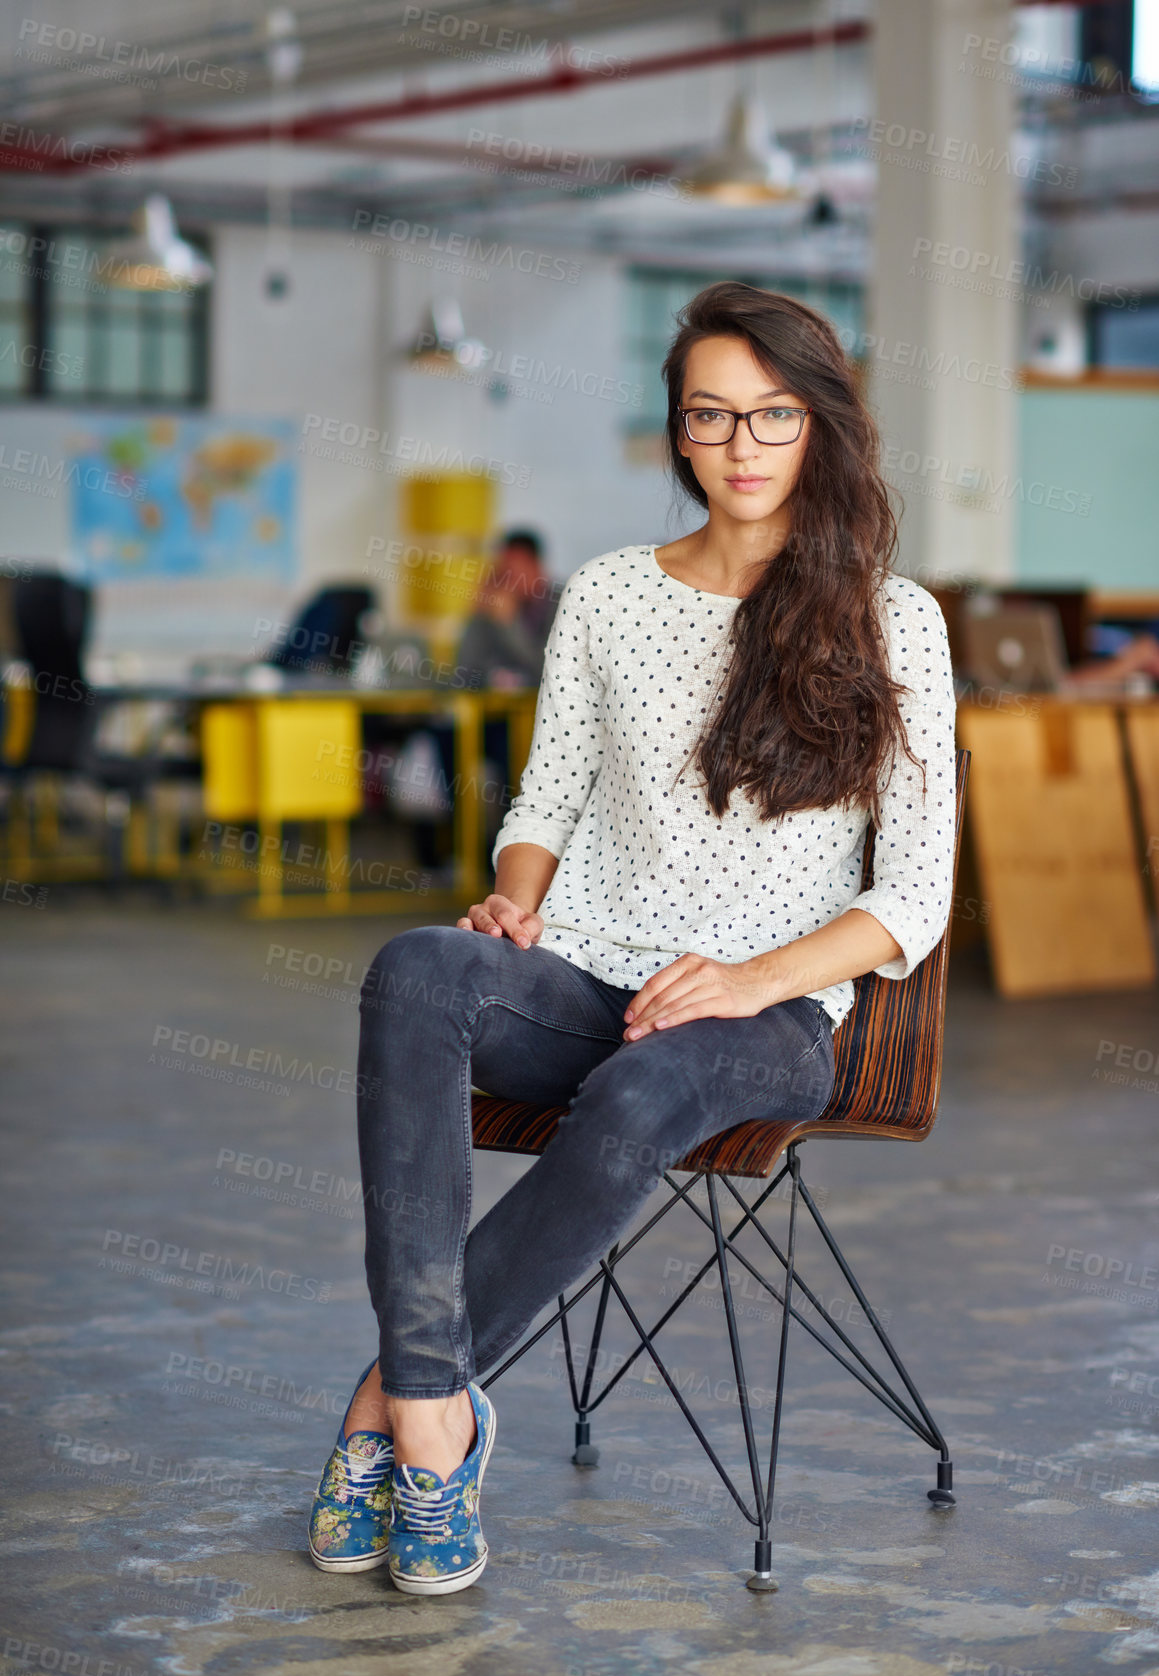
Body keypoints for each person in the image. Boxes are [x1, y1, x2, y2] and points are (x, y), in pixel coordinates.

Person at [306, 282, 957, 1596]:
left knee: (648, 1081)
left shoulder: (900, 621)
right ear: (677, 432)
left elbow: (917, 891)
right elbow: (545, 794)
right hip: (593, 966)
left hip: (770, 1020)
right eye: (711, 416)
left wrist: (747, 978)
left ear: (821, 429)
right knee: (420, 968)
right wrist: (518, 892)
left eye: (774, 416)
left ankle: (400, 1401)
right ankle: (440, 1418)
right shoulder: (606, 596)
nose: (743, 446)